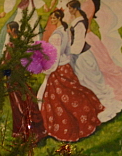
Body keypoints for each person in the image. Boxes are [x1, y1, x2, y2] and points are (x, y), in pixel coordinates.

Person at [39, 9, 104, 142]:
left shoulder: (56, 36)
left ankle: (66, 127)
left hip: (58, 69)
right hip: (66, 67)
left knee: (61, 99)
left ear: (59, 19)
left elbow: (56, 55)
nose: (52, 20)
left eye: (54, 18)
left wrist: (49, 69)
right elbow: (67, 51)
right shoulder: (65, 31)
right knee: (70, 94)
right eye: (51, 18)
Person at [67, 0, 122, 123]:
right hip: (78, 55)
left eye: (70, 8)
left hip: (82, 56)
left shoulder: (80, 23)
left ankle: (99, 105)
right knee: (82, 81)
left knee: (89, 81)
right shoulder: (77, 20)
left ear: (75, 8)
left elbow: (79, 44)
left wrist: (68, 51)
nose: (69, 11)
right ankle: (89, 104)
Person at [78, 0, 122, 101]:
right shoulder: (86, 2)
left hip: (86, 34)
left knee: (98, 62)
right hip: (84, 33)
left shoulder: (89, 4)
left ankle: (98, 86)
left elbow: (85, 19)